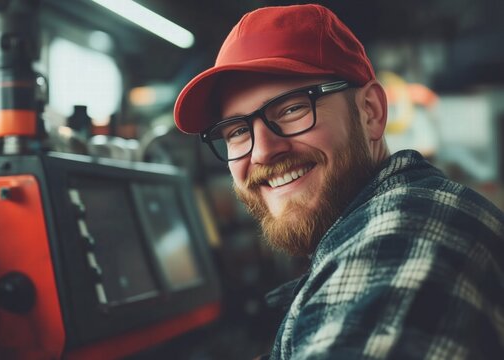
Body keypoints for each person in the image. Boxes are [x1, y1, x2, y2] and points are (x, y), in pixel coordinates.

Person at [174, 4, 504, 359]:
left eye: (291, 108)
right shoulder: (369, 228)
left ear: (371, 112)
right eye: (237, 131)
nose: (262, 153)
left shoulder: (407, 228)